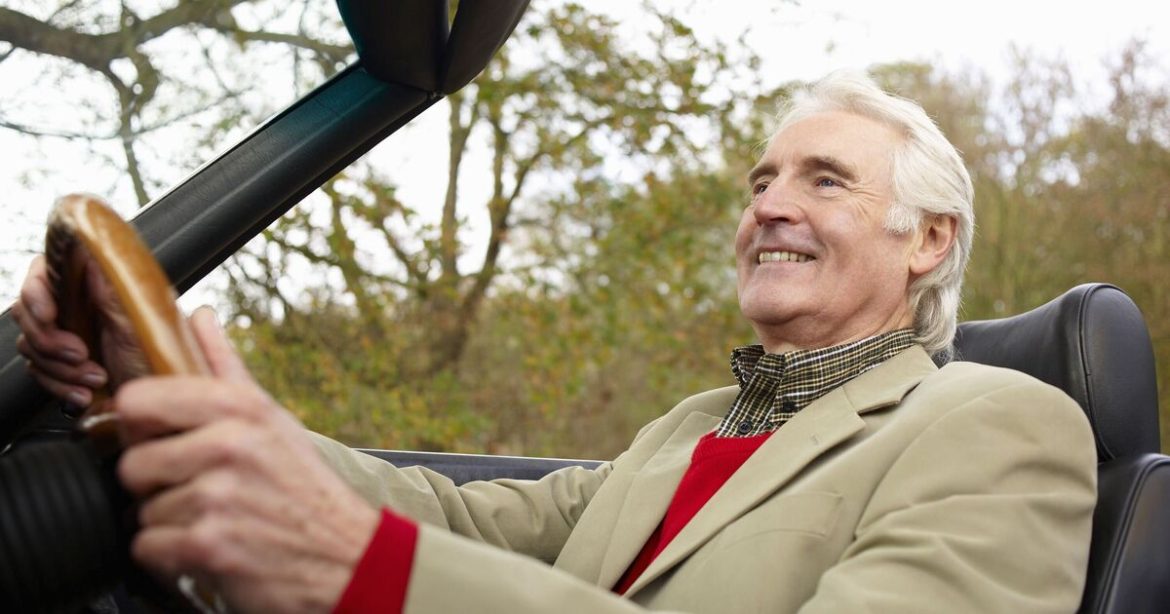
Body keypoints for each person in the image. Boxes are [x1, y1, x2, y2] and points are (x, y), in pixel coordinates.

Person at [11, 71, 1096, 613]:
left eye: (824, 180)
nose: (769, 205)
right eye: (762, 180)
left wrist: (363, 566)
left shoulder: (1004, 423)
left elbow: (398, 549)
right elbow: (454, 514)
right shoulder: (687, 428)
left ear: (929, 239)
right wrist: (173, 386)